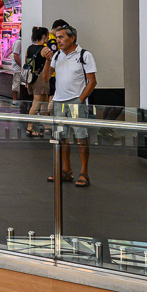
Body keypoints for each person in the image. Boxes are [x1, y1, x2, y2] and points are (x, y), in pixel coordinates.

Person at [45, 23, 97, 188]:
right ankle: (65, 170)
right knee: (62, 138)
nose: (58, 40)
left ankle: (84, 172)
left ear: (72, 38)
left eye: (61, 37)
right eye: (57, 37)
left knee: (81, 138)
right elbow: (46, 78)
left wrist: (79, 100)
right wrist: (47, 61)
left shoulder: (84, 55)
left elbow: (92, 81)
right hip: (59, 103)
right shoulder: (57, 56)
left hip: (75, 102)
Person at [23, 26, 53, 136]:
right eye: (48, 35)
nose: (49, 38)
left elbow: (27, 64)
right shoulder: (45, 50)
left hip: (31, 77)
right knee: (36, 103)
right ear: (44, 36)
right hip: (41, 78)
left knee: (44, 101)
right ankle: (30, 128)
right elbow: (51, 63)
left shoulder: (29, 48)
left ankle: (47, 125)